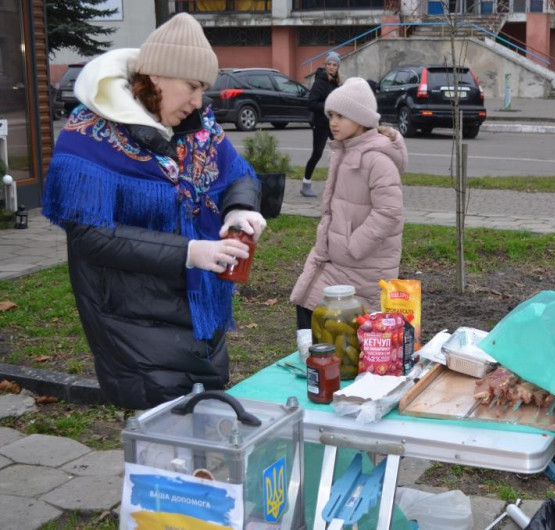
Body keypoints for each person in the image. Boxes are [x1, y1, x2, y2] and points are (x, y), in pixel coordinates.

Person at [41, 13, 267, 410]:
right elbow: (89, 237)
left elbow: (237, 175)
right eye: (193, 87)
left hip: (199, 312)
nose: (200, 101)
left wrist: (238, 209)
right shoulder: (90, 133)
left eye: (204, 89)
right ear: (158, 77)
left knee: (195, 429)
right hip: (131, 318)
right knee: (160, 433)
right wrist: (189, 252)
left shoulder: (199, 124)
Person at [290, 77, 408, 329]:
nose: (333, 122)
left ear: (361, 118)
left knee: (330, 325)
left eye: (341, 116)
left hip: (361, 265)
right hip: (334, 259)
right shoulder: (343, 152)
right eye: (330, 115)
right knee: (306, 306)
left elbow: (389, 212)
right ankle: (314, 364)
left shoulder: (377, 160)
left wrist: (353, 246)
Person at [301, 51, 342, 198]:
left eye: (334, 65)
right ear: (325, 66)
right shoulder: (319, 82)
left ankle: (339, 184)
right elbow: (311, 104)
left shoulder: (337, 84)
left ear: (337, 68)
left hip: (334, 123)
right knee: (317, 153)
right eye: (329, 64)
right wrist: (328, 106)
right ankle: (306, 184)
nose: (331, 67)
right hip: (320, 124)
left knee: (341, 152)